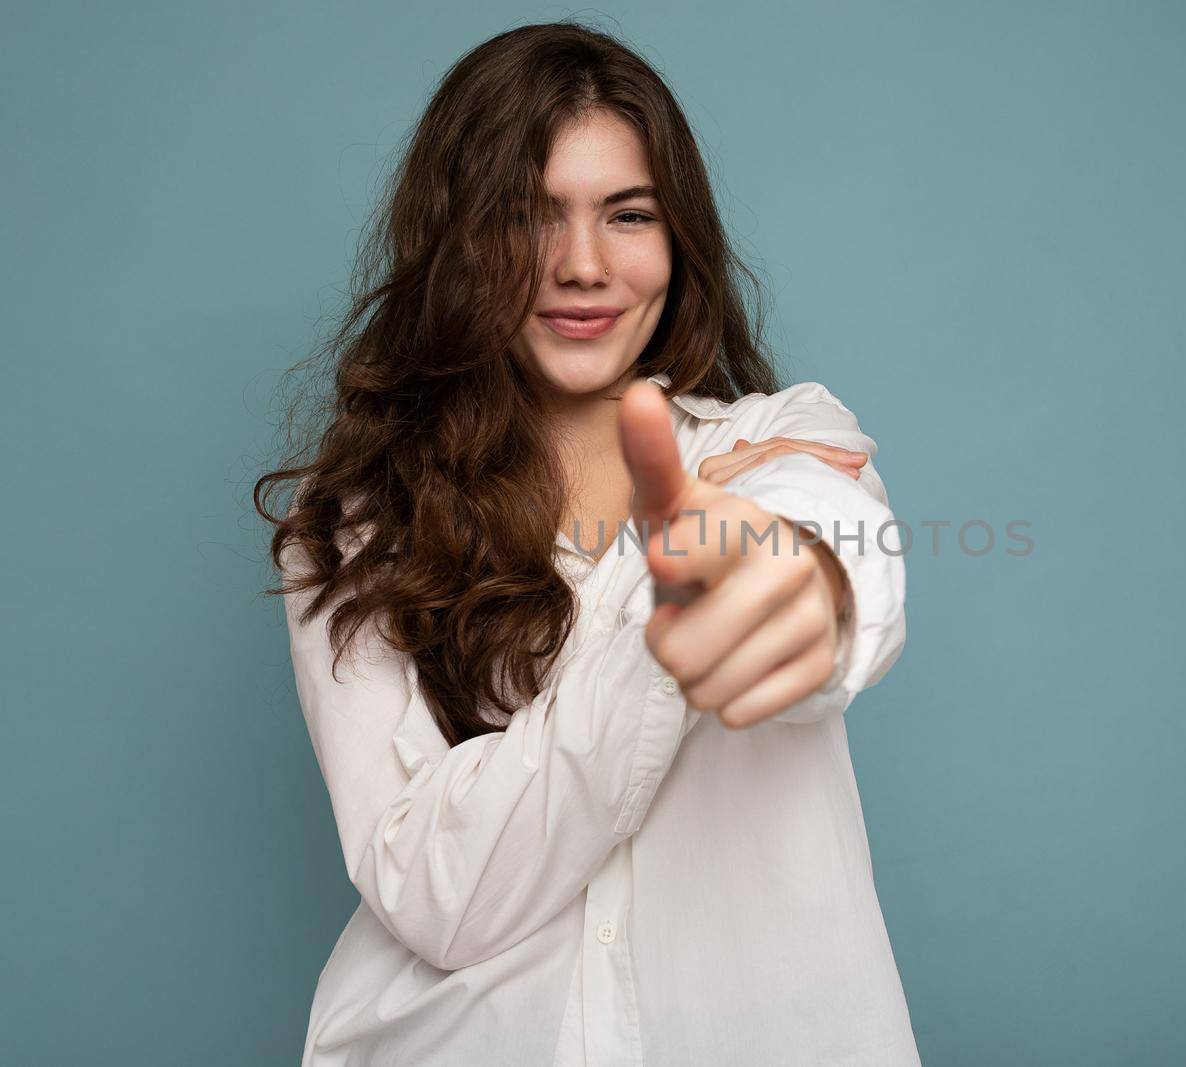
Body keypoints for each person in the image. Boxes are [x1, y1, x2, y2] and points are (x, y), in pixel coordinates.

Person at [254, 21, 919, 1067]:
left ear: (676, 238)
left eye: (628, 214)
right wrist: (654, 638)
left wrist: (802, 592)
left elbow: (835, 565)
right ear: (457, 241)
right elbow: (437, 893)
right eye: (527, 216)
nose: (581, 264)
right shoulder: (352, 533)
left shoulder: (783, 444)